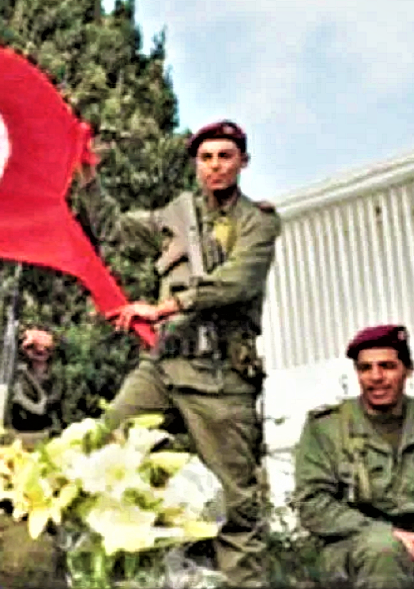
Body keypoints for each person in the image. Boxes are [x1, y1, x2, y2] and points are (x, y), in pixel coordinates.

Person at [101, 120, 282, 587]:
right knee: (104, 443)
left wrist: (166, 307)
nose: (215, 166)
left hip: (219, 374)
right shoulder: (176, 216)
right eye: (206, 158)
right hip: (166, 363)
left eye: (225, 156)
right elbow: (114, 229)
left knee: (237, 507)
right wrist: (86, 180)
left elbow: (237, 282)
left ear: (243, 162)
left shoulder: (257, 222)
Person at [293, 324, 414, 589]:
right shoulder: (326, 427)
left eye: (387, 366)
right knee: (385, 550)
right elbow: (312, 504)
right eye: (365, 368)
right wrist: (392, 534)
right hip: (356, 543)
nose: (376, 377)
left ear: (408, 369)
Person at [0, 325, 66, 450]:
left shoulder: (57, 381)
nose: (40, 351)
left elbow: (53, 416)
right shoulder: (0, 372)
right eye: (32, 347)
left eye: (47, 349)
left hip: (40, 443)